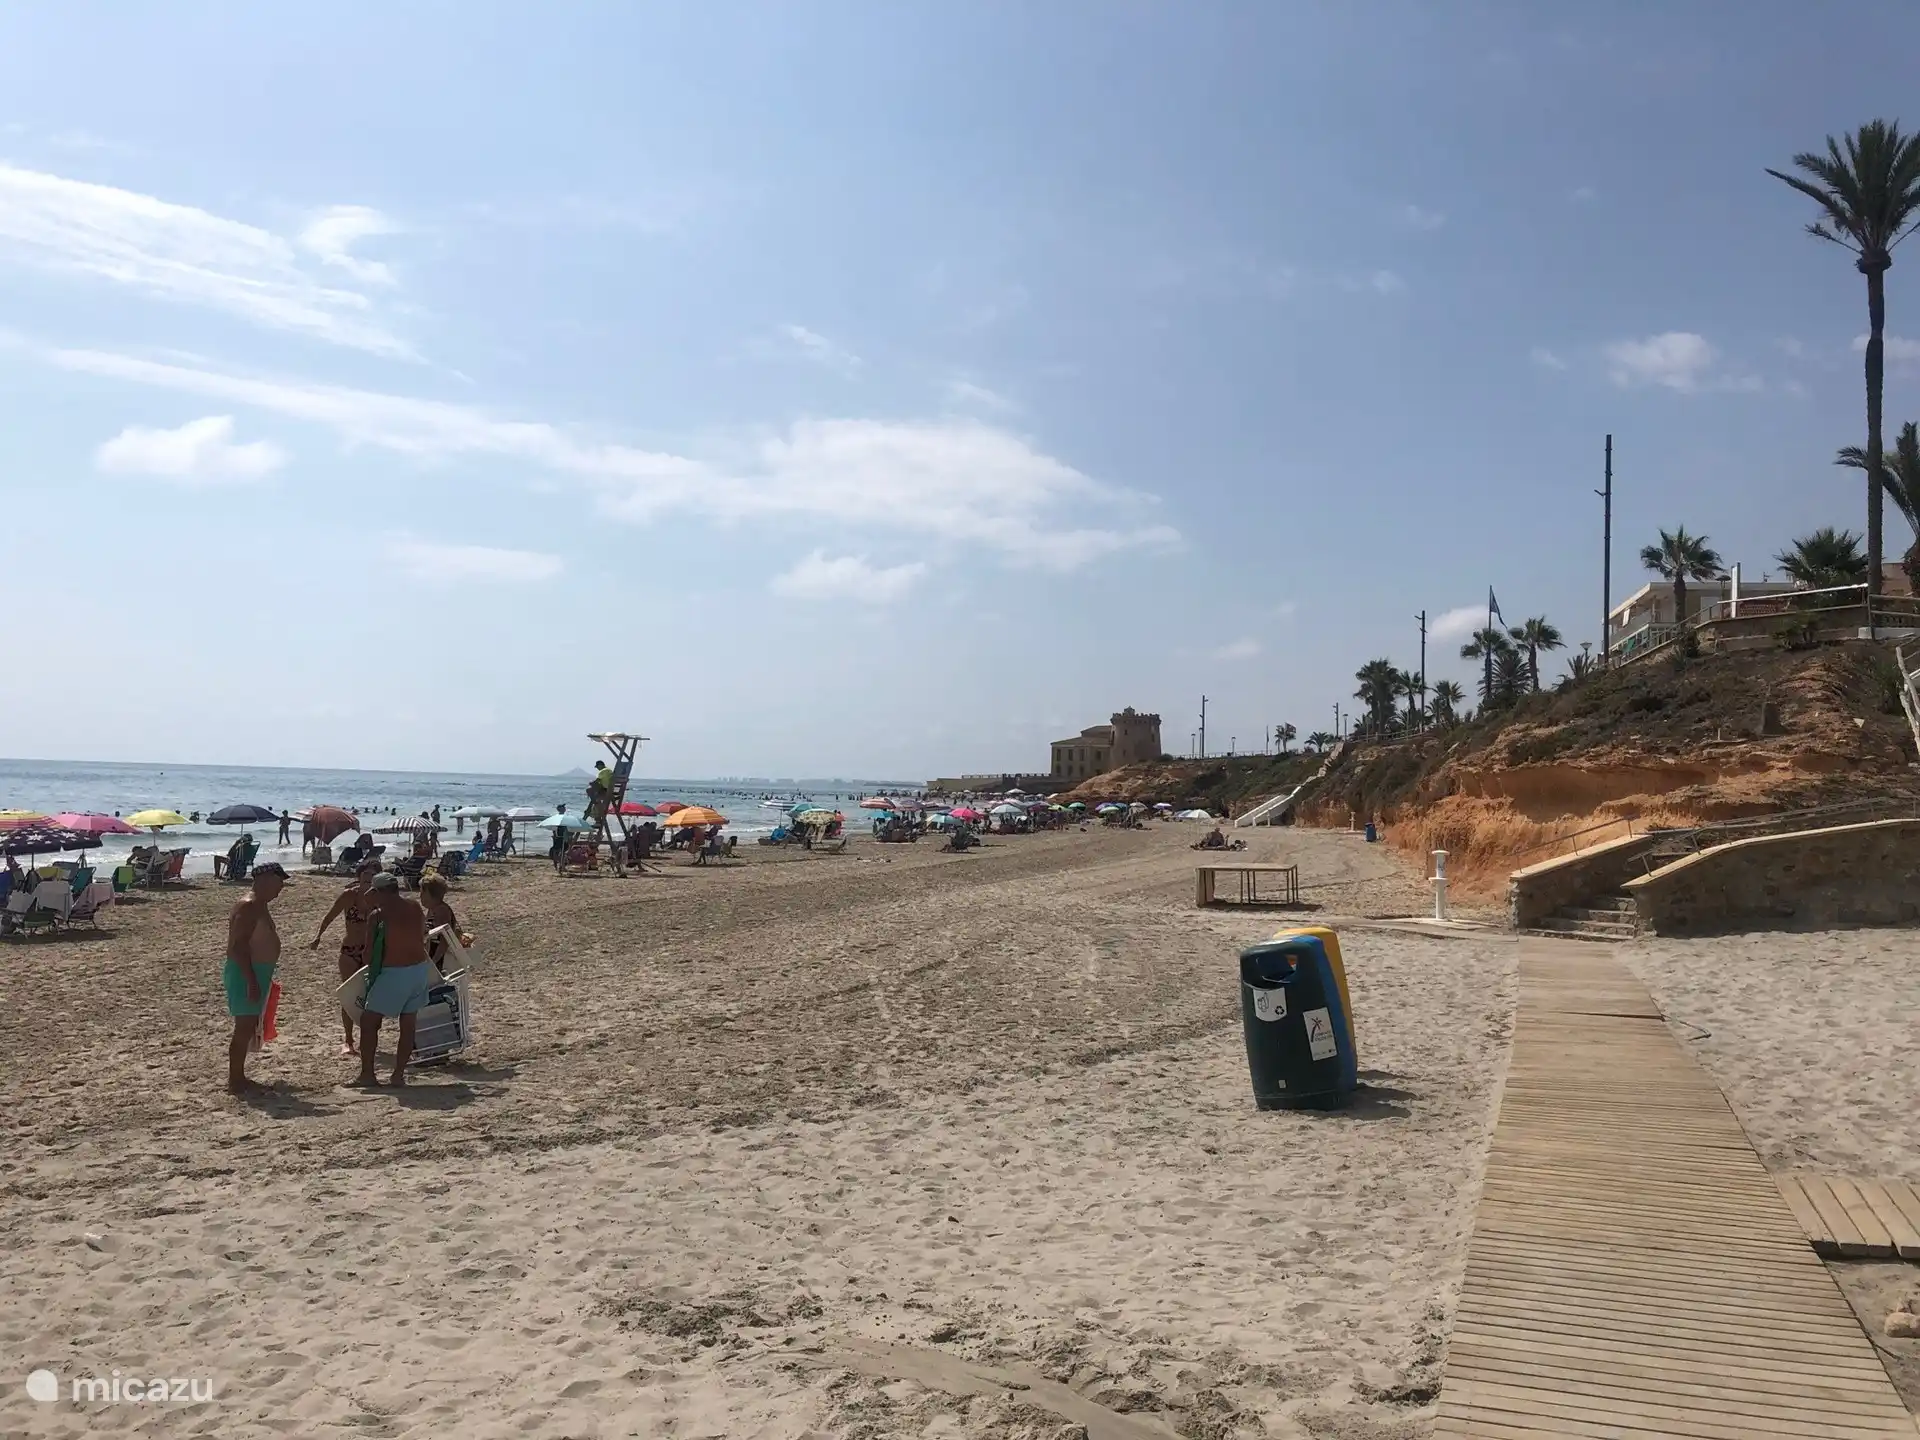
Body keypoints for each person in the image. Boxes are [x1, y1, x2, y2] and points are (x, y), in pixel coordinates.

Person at [356, 873, 433, 1087]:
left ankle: (367, 1075)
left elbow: (368, 955)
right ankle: (398, 1075)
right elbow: (420, 935)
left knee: (369, 1022)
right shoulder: (415, 907)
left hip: (395, 973)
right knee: (408, 1024)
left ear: (379, 892)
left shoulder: (378, 915)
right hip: (418, 970)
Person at [223, 863, 289, 1094]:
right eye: (279, 883)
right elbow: (238, 946)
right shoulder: (249, 906)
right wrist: (251, 980)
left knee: (250, 1025)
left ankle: (239, 1076)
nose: (280, 889)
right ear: (266, 879)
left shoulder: (260, 905)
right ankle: (235, 1080)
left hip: (258, 971)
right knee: (243, 1026)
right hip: (246, 971)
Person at [311, 858, 382, 1055]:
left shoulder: (380, 899)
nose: (368, 879)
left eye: (373, 876)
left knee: (372, 998)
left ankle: (367, 1038)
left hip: (372, 954)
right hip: (349, 952)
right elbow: (329, 916)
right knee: (348, 997)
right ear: (359, 876)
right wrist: (318, 936)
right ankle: (348, 1040)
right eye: (365, 875)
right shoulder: (348, 896)